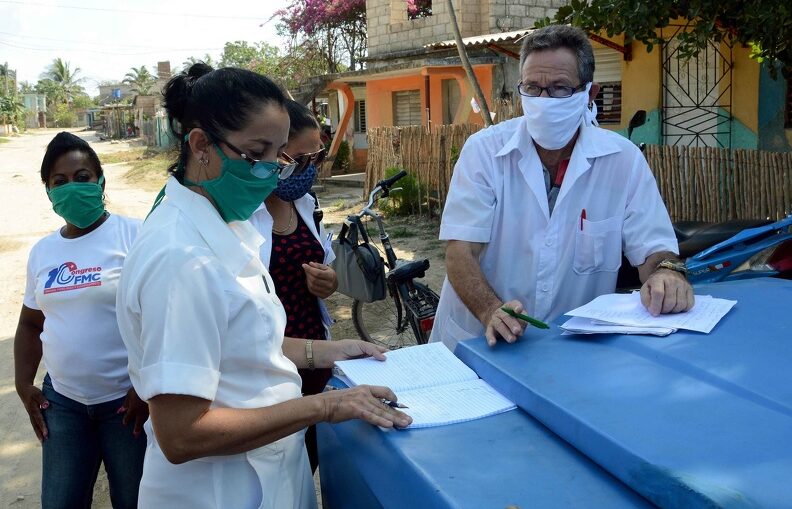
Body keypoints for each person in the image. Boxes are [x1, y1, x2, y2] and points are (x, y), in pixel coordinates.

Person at [115, 64, 411, 509]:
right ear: (201, 145)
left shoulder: (226, 225)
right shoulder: (180, 261)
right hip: (218, 490)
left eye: (279, 154)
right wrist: (325, 407)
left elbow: (244, 342)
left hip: (267, 470)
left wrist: (327, 351)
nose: (273, 172)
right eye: (258, 154)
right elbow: (181, 434)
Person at [432, 25, 694, 350]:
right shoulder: (484, 151)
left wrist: (666, 274)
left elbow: (654, 248)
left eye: (559, 88)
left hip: (569, 350)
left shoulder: (622, 160)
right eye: (532, 87)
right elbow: (460, 251)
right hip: (478, 341)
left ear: (590, 93)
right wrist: (490, 309)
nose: (544, 100)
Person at [14, 131, 147, 509]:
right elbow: (30, 323)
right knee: (60, 502)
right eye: (60, 182)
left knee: (134, 500)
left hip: (126, 403)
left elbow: (164, 318)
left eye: (83, 177)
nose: (72, 187)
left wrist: (148, 386)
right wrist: (23, 384)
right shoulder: (43, 252)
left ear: (101, 181)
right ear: (49, 192)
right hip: (64, 403)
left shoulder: (135, 235)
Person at [249, 99, 335, 473]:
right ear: (276, 154)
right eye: (301, 158)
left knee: (311, 457)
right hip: (269, 358)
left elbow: (325, 267)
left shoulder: (305, 202)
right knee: (278, 461)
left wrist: (329, 282)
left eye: (316, 156)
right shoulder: (243, 212)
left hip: (314, 349)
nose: (309, 168)